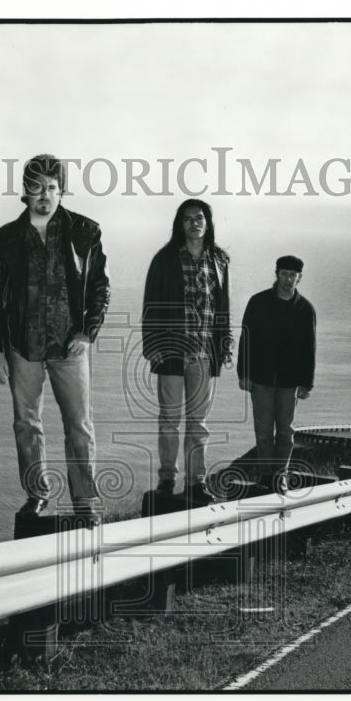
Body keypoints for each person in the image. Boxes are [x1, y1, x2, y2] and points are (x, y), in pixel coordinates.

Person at [0, 154, 110, 525]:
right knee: (27, 424)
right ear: (25, 192)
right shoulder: (2, 240)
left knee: (79, 425)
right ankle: (36, 495)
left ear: (62, 191)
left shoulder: (85, 232)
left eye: (52, 188)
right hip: (23, 348)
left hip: (70, 346)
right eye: (37, 188)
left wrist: (88, 332)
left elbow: (100, 287)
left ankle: (85, 501)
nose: (44, 195)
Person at [142, 199, 231, 506]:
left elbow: (223, 308)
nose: (195, 223)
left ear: (208, 223)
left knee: (198, 423)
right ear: (180, 224)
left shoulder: (219, 260)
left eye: (200, 217)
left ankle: (196, 482)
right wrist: (151, 346)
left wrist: (225, 344)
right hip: (171, 353)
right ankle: (167, 480)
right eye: (188, 218)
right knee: (169, 420)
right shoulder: (164, 259)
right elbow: (150, 305)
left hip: (205, 354)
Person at [237, 256, 316, 493]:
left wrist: (306, 383)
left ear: (299, 278)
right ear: (276, 274)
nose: (288, 279)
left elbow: (309, 348)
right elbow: (245, 339)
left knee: (285, 431)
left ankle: (280, 476)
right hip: (260, 379)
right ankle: (265, 476)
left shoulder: (305, 309)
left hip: (290, 382)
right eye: (284, 274)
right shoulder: (258, 302)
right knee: (263, 431)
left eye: (293, 275)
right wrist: (244, 373)